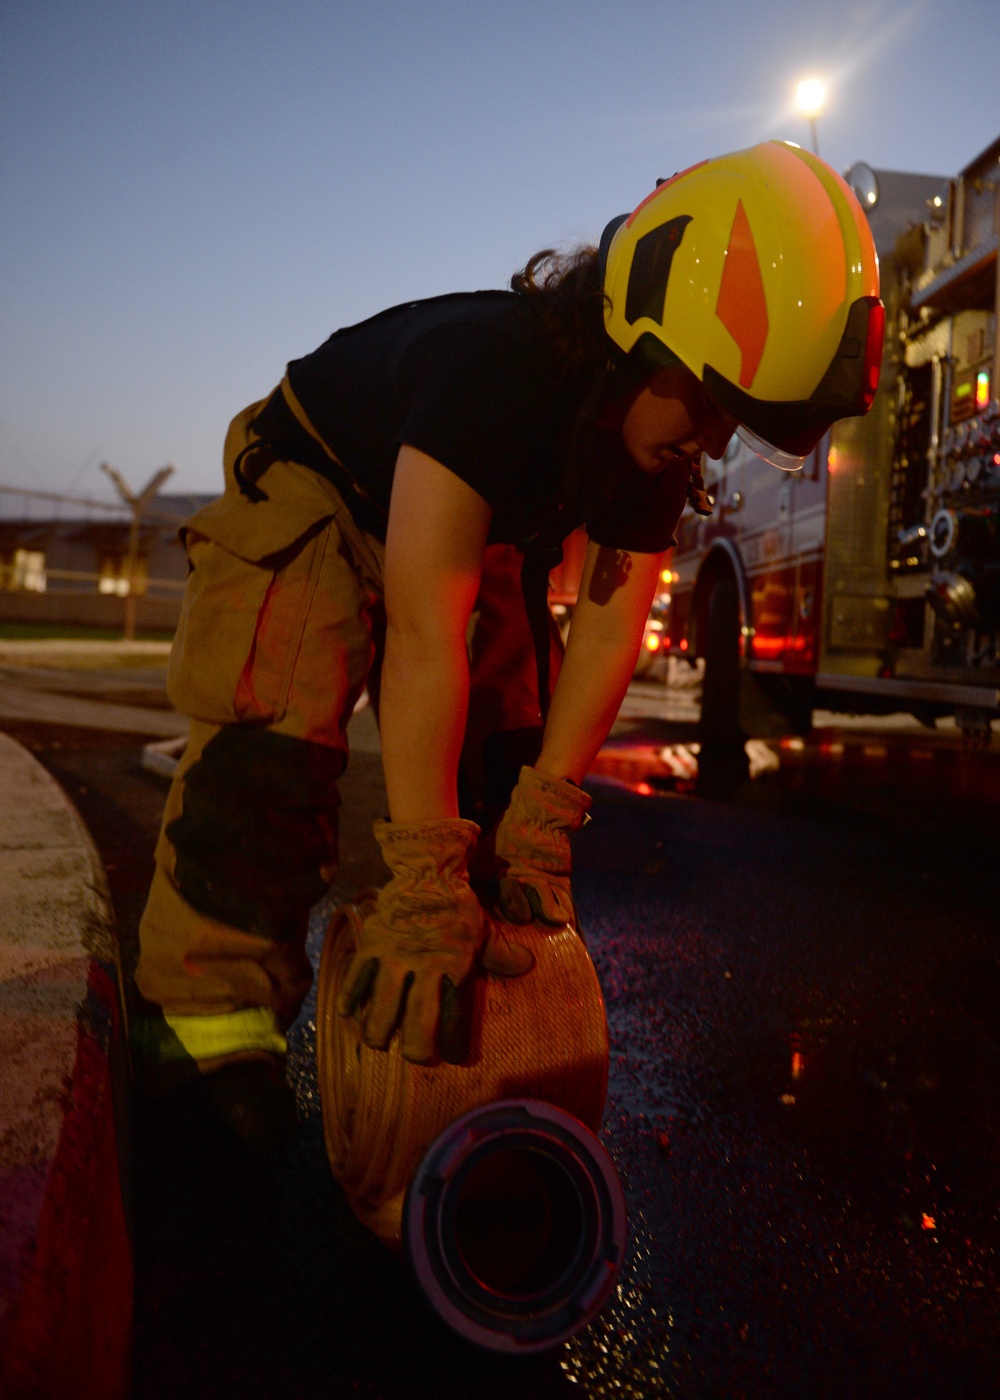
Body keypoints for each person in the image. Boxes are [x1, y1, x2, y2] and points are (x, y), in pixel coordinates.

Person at [131, 141, 882, 1138]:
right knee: (280, 716)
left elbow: (610, 625)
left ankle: (469, 1011)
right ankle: (204, 1018)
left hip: (456, 527)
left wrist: (538, 816)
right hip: (323, 483)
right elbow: (423, 630)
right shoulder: (495, 367)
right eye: (707, 401)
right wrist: (422, 875)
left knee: (506, 742)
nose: (712, 439)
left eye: (733, 419)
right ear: (638, 338)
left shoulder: (645, 438)